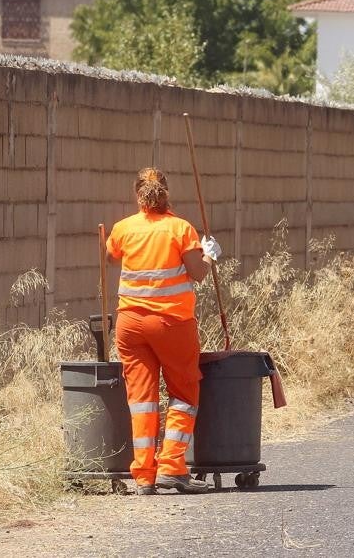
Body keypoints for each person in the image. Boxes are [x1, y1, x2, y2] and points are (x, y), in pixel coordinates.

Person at [106, 168, 222, 495]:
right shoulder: (180, 229)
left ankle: (144, 475)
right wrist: (210, 252)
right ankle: (171, 466)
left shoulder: (123, 228)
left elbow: (112, 257)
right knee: (184, 392)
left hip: (130, 325)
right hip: (172, 324)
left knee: (141, 400)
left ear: (137, 194)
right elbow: (198, 273)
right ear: (167, 193)